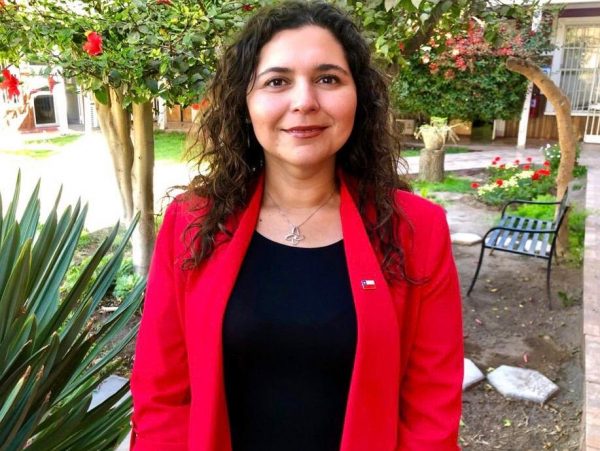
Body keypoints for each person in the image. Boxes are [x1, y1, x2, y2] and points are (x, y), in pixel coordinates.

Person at [130, 2, 463, 450]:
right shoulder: (191, 222)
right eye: (277, 81)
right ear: (245, 102)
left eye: (328, 79)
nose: (304, 101)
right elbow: (161, 392)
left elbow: (430, 406)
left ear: (359, 97)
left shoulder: (418, 230)